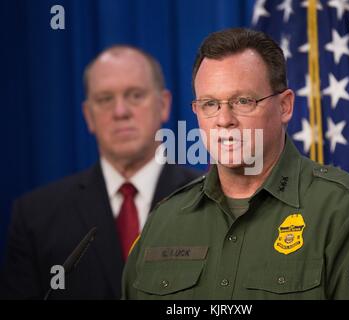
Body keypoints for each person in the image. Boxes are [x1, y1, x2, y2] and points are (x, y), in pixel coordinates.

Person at [122, 28, 349, 299]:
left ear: (285, 106)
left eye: (243, 101)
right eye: (210, 104)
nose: (224, 120)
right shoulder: (163, 222)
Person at [0, 45, 202, 299]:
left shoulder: (208, 200)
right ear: (88, 116)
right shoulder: (35, 216)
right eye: (105, 99)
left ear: (163, 105)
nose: (120, 112)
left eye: (135, 95)